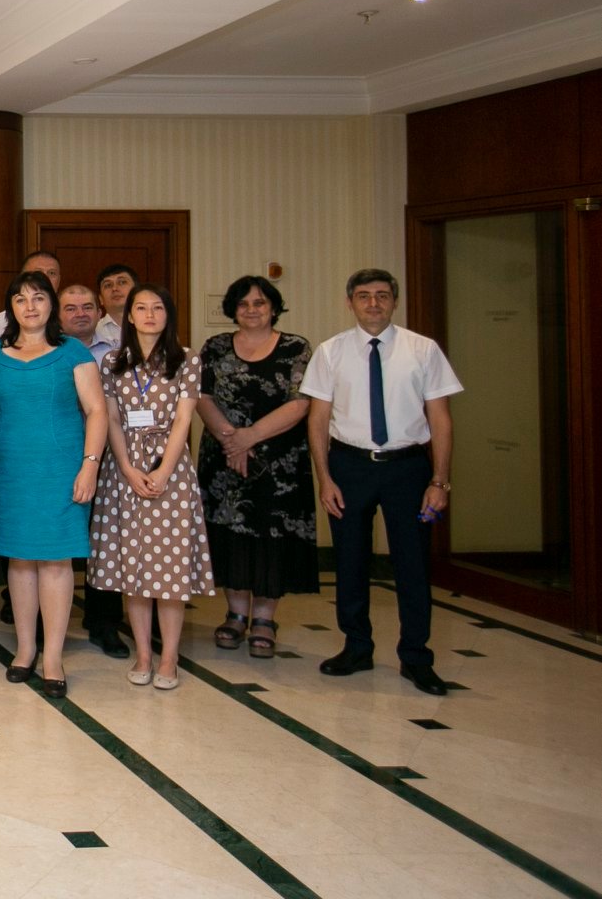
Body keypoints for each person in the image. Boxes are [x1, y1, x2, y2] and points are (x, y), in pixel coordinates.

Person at [301, 268, 462, 696]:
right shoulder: (331, 352)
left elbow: (441, 419)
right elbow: (317, 420)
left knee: (412, 563)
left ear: (395, 301)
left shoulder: (423, 350)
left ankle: (416, 656)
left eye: (382, 295)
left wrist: (439, 481)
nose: (373, 303)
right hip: (349, 467)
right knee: (350, 560)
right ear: (349, 302)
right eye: (364, 296)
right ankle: (356, 647)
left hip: (407, 468)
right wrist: (325, 478)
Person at [0, 273, 108, 700]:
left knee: (55, 562)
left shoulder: (73, 352)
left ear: (50, 304)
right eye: (20, 299)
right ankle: (25, 649)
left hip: (61, 471)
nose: (30, 306)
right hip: (9, 470)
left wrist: (90, 466)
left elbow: (96, 411)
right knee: (19, 561)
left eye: (38, 298)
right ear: (10, 308)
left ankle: (53, 656)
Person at [90, 285, 215, 692]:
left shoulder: (187, 359)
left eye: (157, 308)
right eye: (140, 308)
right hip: (123, 470)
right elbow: (110, 418)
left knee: (169, 571)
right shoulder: (113, 361)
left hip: (170, 472)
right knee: (134, 568)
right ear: (129, 316)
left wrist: (162, 471)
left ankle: (169, 657)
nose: (149, 315)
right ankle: (143, 654)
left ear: (168, 314)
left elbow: (184, 420)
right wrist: (127, 468)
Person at [194, 276, 318, 657]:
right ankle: (235, 614)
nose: (251, 309)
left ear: (273, 307)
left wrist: (249, 437)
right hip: (223, 459)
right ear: (233, 309)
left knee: (271, 536)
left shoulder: (296, 347)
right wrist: (230, 439)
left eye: (260, 303)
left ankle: (264, 618)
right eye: (244, 303)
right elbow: (201, 396)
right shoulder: (215, 347)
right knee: (230, 535)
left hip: (278, 464)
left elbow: (301, 402)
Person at [58, 285, 129, 660]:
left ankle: (104, 623)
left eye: (87, 307)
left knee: (105, 541)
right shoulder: (49, 351)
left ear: (99, 311)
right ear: (58, 314)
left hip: (108, 458)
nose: (80, 314)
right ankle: (42, 623)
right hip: (57, 458)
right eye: (70, 308)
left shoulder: (118, 353)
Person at [95, 264, 137, 347]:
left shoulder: (153, 325)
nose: (114, 289)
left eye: (122, 282)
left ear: (137, 292)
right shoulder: (93, 331)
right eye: (108, 285)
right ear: (101, 299)